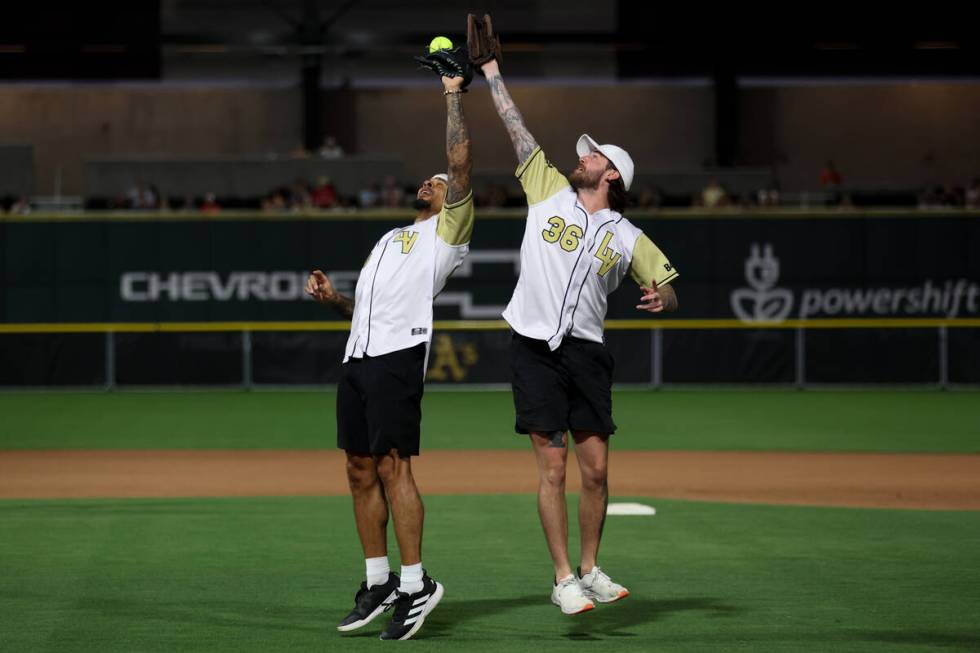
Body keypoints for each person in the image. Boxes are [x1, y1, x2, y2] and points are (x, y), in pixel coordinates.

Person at [474, 23, 679, 615]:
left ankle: (590, 568)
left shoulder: (628, 233)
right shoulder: (546, 190)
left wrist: (661, 299)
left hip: (587, 351)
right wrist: (492, 76)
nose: (581, 156)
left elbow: (667, 286)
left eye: (594, 155)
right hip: (534, 346)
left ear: (611, 174)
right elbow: (517, 130)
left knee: (596, 469)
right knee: (554, 466)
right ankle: (562, 576)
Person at [305, 47, 474, 641]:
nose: (430, 181)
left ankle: (415, 583)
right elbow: (370, 307)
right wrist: (337, 304)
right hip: (358, 354)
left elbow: (459, 164)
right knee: (357, 468)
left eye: (437, 180)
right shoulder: (390, 237)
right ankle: (377, 580)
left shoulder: (447, 234)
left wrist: (453, 92)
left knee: (393, 466)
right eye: (426, 179)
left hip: (399, 355)